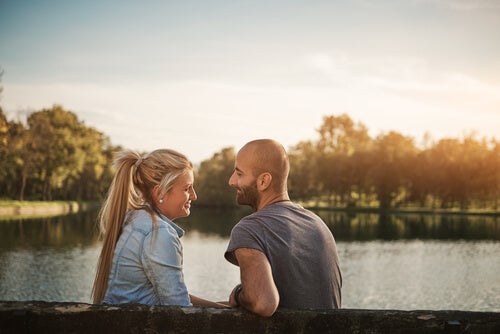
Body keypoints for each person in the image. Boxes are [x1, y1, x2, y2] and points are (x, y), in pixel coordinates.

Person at [92, 148, 225, 307]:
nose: (194, 196)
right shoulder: (158, 234)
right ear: (160, 192)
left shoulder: (134, 218)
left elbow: (169, 293)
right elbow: (179, 309)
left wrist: (223, 308)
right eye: (186, 188)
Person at [225, 139, 342, 317]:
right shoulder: (318, 225)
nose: (231, 181)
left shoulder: (250, 228)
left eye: (239, 174)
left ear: (263, 181)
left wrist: (237, 294)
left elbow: (262, 303)